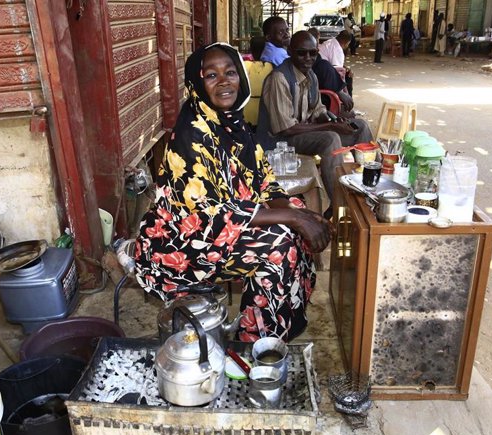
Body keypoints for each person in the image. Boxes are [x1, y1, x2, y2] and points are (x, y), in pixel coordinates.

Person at [133, 43, 332, 343]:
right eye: (211, 75)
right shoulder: (192, 134)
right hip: (182, 242)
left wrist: (299, 213)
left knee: (298, 214)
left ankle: (285, 321)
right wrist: (290, 217)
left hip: (228, 222)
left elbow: (264, 181)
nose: (224, 81)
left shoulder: (233, 125)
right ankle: (253, 342)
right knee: (278, 246)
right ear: (198, 83)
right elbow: (211, 214)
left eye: (230, 72)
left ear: (241, 76)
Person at [258, 31, 373, 213]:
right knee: (330, 139)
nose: (308, 58)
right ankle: (338, 207)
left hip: (301, 132)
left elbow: (318, 109)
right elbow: (286, 128)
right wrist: (330, 125)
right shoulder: (279, 79)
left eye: (313, 53)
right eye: (301, 53)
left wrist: (334, 118)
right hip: (280, 142)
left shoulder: (311, 76)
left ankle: (368, 188)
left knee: (360, 126)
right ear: (290, 51)